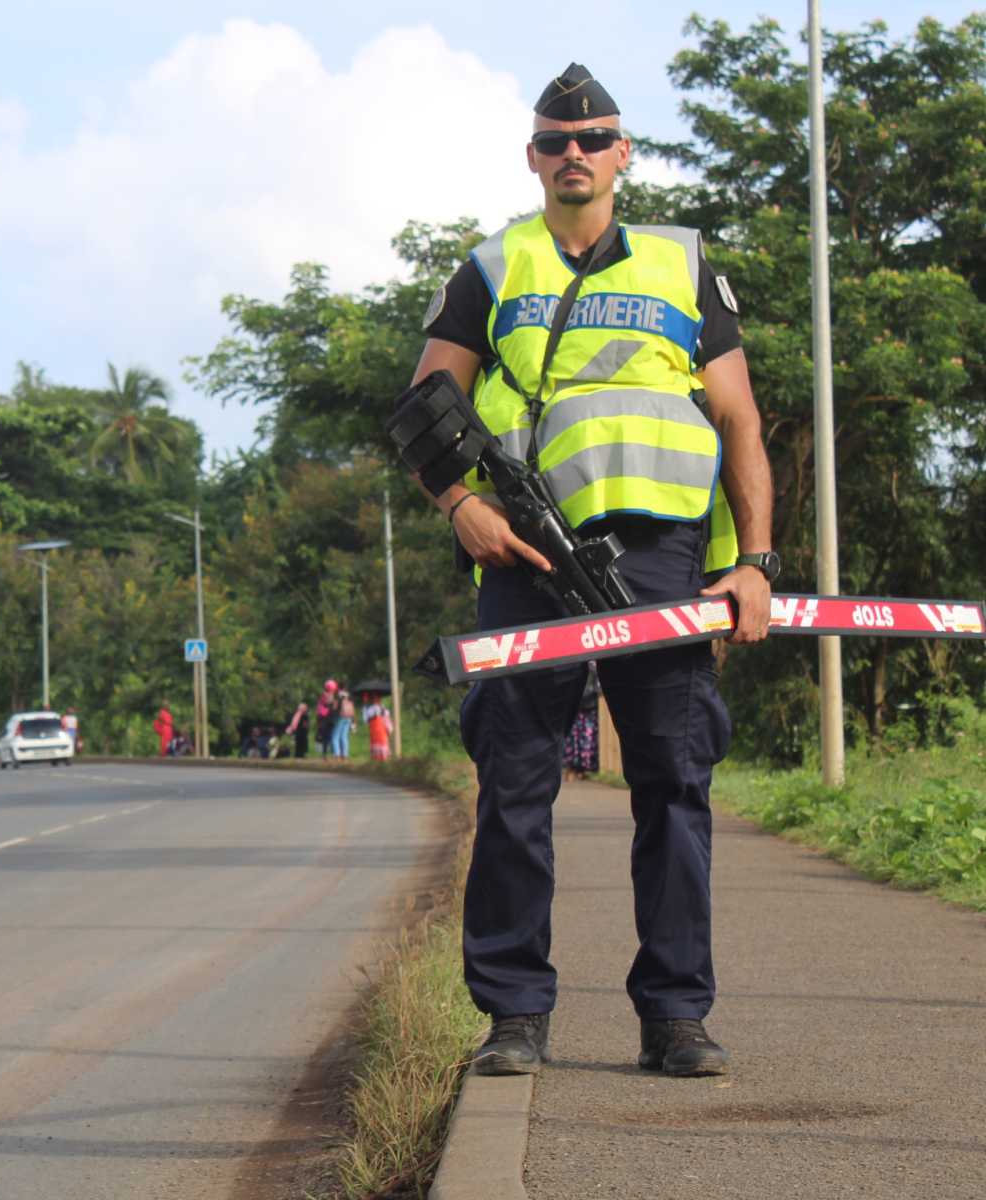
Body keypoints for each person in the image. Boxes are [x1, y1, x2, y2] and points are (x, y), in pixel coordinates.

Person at [405, 64, 774, 1079]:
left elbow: (739, 421)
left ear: (623, 154)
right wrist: (462, 507)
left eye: (595, 137)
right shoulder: (493, 267)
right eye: (557, 140)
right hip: (527, 555)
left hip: (659, 562)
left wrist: (755, 564)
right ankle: (515, 1016)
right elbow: (423, 412)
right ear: (533, 156)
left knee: (673, 784)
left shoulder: (681, 264)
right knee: (515, 786)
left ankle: (676, 1018)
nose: (576, 154)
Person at [364, 693, 393, 762]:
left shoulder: (372, 709)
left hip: (376, 728)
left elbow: (366, 720)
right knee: (381, 743)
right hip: (379, 729)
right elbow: (387, 716)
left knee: (378, 743)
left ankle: (379, 759)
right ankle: (382, 759)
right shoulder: (382, 708)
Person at [333, 689, 356, 759]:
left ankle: (337, 754)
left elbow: (333, 708)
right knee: (344, 736)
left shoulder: (338, 701)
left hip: (341, 718)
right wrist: (353, 722)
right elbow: (353, 713)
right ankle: (345, 755)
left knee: (335, 736)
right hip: (349, 719)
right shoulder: (350, 702)